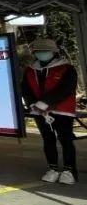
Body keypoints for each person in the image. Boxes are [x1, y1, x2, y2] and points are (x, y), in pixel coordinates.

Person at [22, 38, 78, 184]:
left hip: (62, 111)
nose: (41, 53)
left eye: (45, 51)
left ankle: (69, 171)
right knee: (48, 139)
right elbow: (25, 90)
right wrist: (32, 104)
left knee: (66, 139)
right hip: (38, 111)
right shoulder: (30, 70)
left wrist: (44, 103)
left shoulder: (66, 68)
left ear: (54, 52)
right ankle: (52, 168)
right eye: (38, 51)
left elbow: (65, 89)